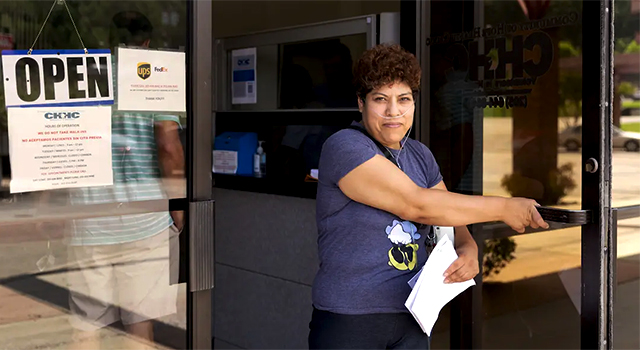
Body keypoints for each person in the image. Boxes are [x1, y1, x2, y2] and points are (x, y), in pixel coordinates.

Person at [308, 44, 549, 349]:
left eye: (403, 99)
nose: (393, 111)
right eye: (380, 99)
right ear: (361, 103)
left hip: (413, 316)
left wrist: (468, 247)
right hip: (351, 318)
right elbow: (417, 205)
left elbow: (445, 215)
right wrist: (503, 207)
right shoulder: (344, 146)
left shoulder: (420, 155)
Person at [65, 11, 184, 349]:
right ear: (146, 43)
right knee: (140, 322)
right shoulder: (154, 79)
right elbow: (168, 146)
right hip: (144, 220)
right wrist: (177, 206)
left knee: (85, 324)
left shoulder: (80, 79)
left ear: (108, 39)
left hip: (89, 219)